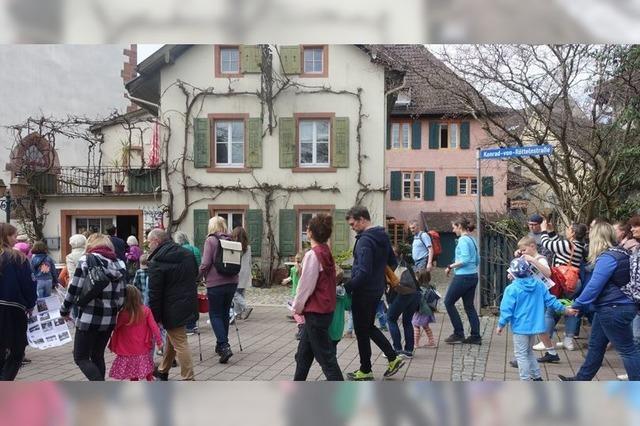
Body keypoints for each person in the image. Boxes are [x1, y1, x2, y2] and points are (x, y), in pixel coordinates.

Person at [559, 222, 640, 381]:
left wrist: (577, 304)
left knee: (627, 350)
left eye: (591, 235)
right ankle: (581, 380)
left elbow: (594, 286)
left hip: (613, 308)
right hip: (612, 307)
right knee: (596, 346)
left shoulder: (607, 257)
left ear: (597, 237)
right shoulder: (622, 252)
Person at [343, 206, 405, 381]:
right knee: (368, 327)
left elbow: (363, 271)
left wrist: (347, 287)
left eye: (353, 223)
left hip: (363, 291)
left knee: (362, 330)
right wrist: (379, 278)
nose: (352, 227)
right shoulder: (383, 236)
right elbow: (392, 262)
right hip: (376, 290)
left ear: (362, 219)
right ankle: (392, 358)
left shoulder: (364, 241)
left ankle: (366, 370)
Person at [497, 257, 577, 381]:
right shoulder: (539, 284)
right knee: (529, 352)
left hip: (520, 327)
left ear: (513, 273)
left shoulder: (512, 289)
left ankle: (525, 379)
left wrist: (501, 324)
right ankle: (537, 377)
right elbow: (551, 301)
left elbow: (506, 309)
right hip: (535, 326)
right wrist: (565, 310)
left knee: (521, 355)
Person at [59, 233, 126, 381]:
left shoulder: (87, 260)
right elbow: (122, 297)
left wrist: (64, 309)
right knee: (97, 355)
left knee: (80, 357)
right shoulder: (119, 264)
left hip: (89, 318)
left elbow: (74, 289)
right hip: (109, 319)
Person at [292, 213, 344, 381]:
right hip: (324, 311)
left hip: (315, 312)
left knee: (327, 360)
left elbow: (305, 286)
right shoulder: (326, 251)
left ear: (310, 233)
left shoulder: (313, 255)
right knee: (303, 356)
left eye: (307, 228)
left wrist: (296, 308)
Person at [147, 228, 197, 381]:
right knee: (173, 337)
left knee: (180, 342)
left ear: (156, 241)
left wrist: (153, 317)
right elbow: (195, 274)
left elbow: (154, 293)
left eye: (149, 242)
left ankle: (188, 378)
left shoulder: (157, 261)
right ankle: (163, 370)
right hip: (187, 301)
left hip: (171, 307)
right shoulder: (187, 254)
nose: (148, 245)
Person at [537, 219, 587, 358]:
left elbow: (547, 244)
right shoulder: (580, 246)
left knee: (550, 310)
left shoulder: (566, 244)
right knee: (570, 309)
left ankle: (545, 341)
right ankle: (568, 340)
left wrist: (543, 230)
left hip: (562, 281)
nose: (566, 230)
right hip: (574, 282)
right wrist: (552, 231)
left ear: (572, 233)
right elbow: (557, 244)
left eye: (569, 228)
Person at [198, 216, 239, 364]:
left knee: (215, 314)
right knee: (224, 314)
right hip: (232, 281)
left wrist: (198, 276)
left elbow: (206, 263)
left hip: (216, 283)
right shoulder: (231, 240)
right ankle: (220, 344)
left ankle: (224, 345)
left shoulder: (211, 240)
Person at [0, 223, 37, 381]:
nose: (16, 240)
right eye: (14, 236)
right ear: (5, 236)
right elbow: (28, 284)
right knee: (17, 351)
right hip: (12, 308)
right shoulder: (17, 258)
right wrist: (30, 304)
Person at [108, 285, 163, 381]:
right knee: (147, 368)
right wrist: (159, 342)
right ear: (138, 295)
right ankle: (151, 382)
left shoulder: (123, 314)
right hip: (142, 347)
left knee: (132, 372)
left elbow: (115, 328)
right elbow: (154, 327)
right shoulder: (146, 310)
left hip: (127, 349)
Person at [443, 217, 481, 345]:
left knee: (448, 302)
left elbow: (464, 260)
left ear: (459, 226)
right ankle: (475, 336)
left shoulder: (463, 240)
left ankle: (458, 333)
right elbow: (477, 260)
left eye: (454, 227)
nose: (453, 230)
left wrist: (450, 266)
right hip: (473, 275)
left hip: (463, 277)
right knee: (469, 306)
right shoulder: (472, 239)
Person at [173, 230, 202, 334]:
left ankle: (188, 325)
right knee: (193, 301)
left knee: (184, 302)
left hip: (183, 279)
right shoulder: (195, 249)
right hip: (195, 278)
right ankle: (193, 324)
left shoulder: (179, 250)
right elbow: (199, 264)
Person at [231, 226, 253, 320]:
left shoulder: (235, 247)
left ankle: (245, 307)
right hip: (246, 271)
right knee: (240, 292)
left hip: (238, 271)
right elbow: (250, 261)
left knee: (234, 293)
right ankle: (238, 313)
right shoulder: (248, 247)